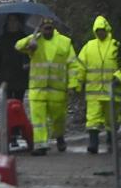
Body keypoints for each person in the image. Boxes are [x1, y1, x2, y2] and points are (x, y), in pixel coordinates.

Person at [16, 18, 79, 156]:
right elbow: (18, 46)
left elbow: (73, 65)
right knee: (38, 120)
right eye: (44, 27)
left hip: (57, 90)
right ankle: (41, 145)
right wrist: (31, 38)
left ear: (53, 27)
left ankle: (59, 136)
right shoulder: (35, 41)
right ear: (41, 28)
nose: (47, 30)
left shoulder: (64, 42)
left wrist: (72, 85)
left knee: (58, 118)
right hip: (37, 89)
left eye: (49, 27)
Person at [75, 15, 121, 154]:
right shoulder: (89, 46)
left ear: (107, 29)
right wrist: (78, 83)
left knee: (112, 119)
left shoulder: (116, 45)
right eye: (97, 30)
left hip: (112, 90)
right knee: (92, 119)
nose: (100, 33)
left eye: (102, 30)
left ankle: (111, 141)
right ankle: (94, 143)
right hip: (94, 91)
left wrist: (119, 76)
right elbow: (80, 66)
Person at [0, 15, 30, 103]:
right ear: (6, 23)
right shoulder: (1, 40)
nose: (12, 23)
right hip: (5, 79)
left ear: (19, 23)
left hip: (20, 79)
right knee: (7, 106)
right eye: (10, 21)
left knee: (18, 105)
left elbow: (30, 57)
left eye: (15, 21)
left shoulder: (25, 39)